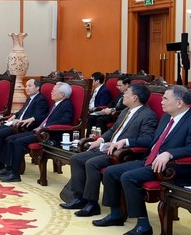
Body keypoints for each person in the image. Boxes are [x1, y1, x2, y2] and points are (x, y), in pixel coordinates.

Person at [94, 85, 191, 235]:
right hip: (150, 159)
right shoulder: (167, 117)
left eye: (165, 98)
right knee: (111, 172)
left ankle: (143, 225)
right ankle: (116, 214)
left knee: (128, 177)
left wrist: (169, 153)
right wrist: (127, 142)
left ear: (179, 103)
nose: (161, 102)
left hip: (171, 166)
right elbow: (152, 140)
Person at [61, 83, 157, 217]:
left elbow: (148, 139)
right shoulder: (126, 110)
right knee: (76, 159)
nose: (123, 94)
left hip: (123, 153)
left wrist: (125, 142)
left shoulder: (147, 115)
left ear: (134, 97)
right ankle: (79, 197)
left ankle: (92, 204)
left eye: (126, 92)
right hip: (108, 148)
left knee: (91, 163)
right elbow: (113, 130)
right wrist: (100, 140)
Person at [0, 82, 74, 183]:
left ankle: (15, 173)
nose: (51, 92)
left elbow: (65, 121)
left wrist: (46, 127)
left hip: (49, 134)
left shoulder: (66, 105)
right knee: (10, 139)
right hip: (40, 131)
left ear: (62, 94)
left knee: (19, 142)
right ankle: (8, 168)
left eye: (54, 91)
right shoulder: (56, 104)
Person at [0, 78, 49, 171]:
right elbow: (22, 111)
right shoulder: (30, 98)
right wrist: (14, 115)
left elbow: (38, 116)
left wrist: (22, 121)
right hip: (16, 122)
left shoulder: (41, 99)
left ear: (37, 88)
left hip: (24, 126)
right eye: (26, 86)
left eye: (29, 86)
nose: (27, 88)